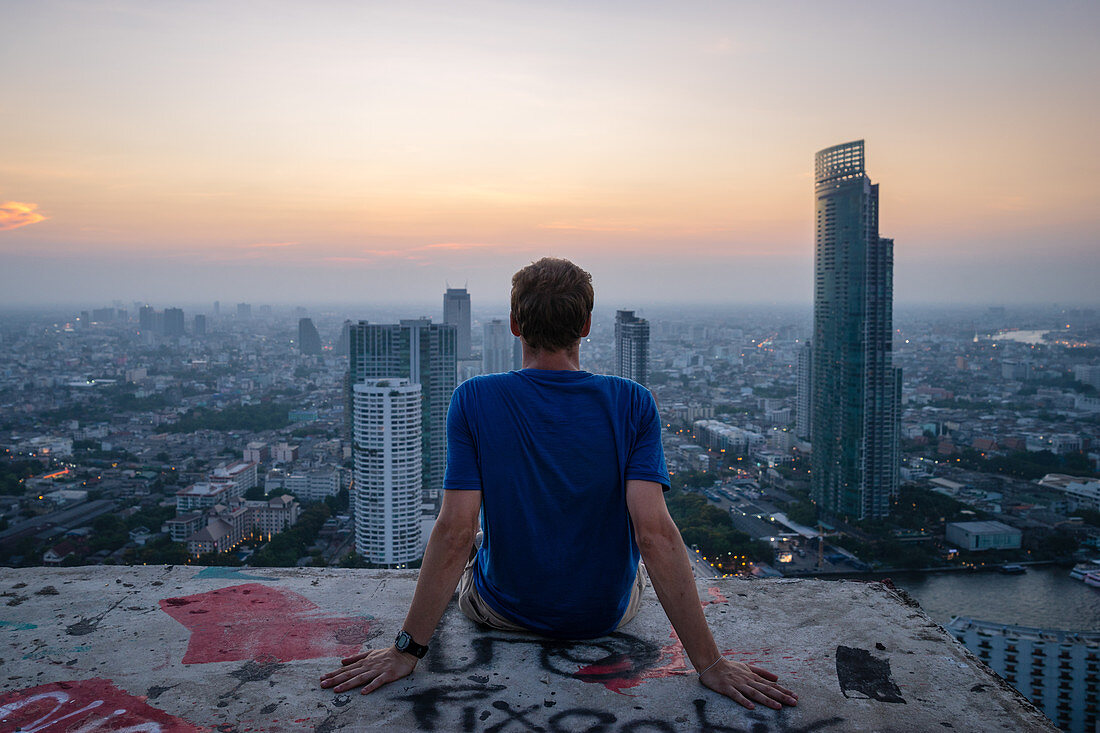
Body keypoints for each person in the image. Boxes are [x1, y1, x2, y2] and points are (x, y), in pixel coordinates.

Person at [321, 258, 797, 710]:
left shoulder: (474, 399)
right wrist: (710, 664)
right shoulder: (632, 402)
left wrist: (406, 650)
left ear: (514, 324)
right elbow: (653, 533)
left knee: (478, 542)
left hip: (504, 610)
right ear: (586, 326)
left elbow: (453, 534)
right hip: (603, 616)